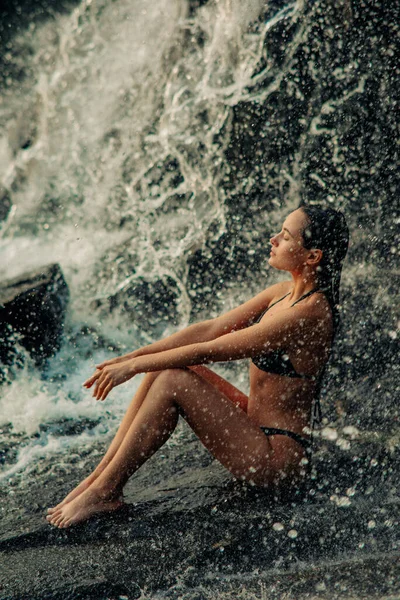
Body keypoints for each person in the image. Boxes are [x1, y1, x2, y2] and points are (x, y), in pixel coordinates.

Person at [47, 203, 349, 528]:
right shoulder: (283, 293)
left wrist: (132, 369)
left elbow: (212, 349)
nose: (273, 239)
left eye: (285, 236)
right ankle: (97, 480)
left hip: (275, 459)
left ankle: (107, 490)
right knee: (163, 370)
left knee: (172, 380)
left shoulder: (309, 313)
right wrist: (134, 357)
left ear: (312, 256)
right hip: (254, 425)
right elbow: (210, 328)